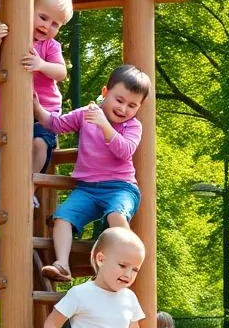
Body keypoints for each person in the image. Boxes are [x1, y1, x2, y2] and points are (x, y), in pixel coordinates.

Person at [32, 64, 151, 283]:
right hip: (86, 189)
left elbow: (124, 150)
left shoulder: (133, 126)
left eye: (132, 105)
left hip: (120, 187)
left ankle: (129, 263)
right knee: (62, 218)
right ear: (105, 92)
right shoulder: (86, 114)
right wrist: (37, 108)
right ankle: (62, 265)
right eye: (119, 100)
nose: (123, 109)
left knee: (116, 214)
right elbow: (56, 124)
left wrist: (105, 125)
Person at [0, 0, 73, 214]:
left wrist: (42, 64)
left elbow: (61, 72)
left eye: (56, 24)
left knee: (40, 144)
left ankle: (27, 189)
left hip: (41, 114)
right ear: (26, 9)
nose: (47, 26)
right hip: (7, 112)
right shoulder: (9, 39)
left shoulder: (51, 47)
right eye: (43, 17)